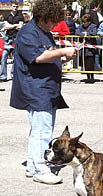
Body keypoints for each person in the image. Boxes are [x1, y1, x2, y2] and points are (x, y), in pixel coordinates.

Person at [10, 0, 77, 184]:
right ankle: (41, 168)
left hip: (46, 88)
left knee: (38, 130)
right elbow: (38, 57)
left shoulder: (43, 32)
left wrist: (61, 58)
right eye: (53, 21)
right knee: (43, 131)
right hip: (36, 90)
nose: (55, 25)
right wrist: (64, 50)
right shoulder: (28, 33)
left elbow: (48, 55)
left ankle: (33, 165)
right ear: (43, 18)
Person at [0, 0, 24, 82]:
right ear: (11, 6)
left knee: (16, 58)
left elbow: (20, 27)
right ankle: (3, 76)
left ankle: (13, 75)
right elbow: (5, 27)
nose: (15, 8)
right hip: (8, 39)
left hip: (16, 39)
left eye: (16, 6)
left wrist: (10, 26)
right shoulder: (7, 16)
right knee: (4, 57)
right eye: (14, 6)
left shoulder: (21, 16)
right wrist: (15, 25)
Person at [75, 14, 97, 82]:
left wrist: (85, 34)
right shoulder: (80, 27)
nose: (84, 23)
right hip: (83, 49)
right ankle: (88, 77)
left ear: (89, 22)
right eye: (83, 22)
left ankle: (92, 77)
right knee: (85, 64)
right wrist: (85, 34)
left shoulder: (93, 26)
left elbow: (94, 33)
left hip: (91, 49)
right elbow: (77, 33)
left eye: (85, 22)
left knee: (91, 63)